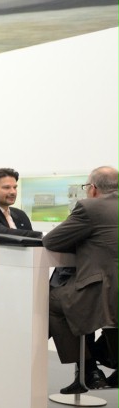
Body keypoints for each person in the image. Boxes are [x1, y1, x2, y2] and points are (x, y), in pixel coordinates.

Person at [44, 166, 119, 391]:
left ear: (93, 188)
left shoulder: (89, 207)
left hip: (104, 290)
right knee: (81, 301)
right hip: (111, 293)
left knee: (53, 302)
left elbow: (51, 241)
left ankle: (87, 368)